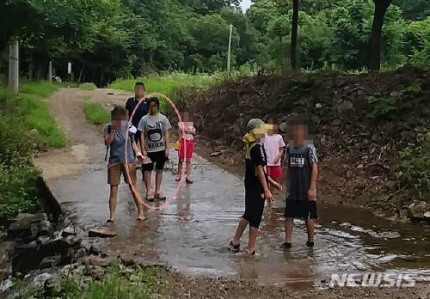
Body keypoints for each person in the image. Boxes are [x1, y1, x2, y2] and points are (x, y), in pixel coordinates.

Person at [228, 119, 282, 255]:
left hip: (251, 184)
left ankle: (235, 242)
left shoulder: (252, 145)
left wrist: (273, 183)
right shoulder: (257, 148)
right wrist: (266, 190)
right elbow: (259, 170)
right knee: (255, 217)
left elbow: (261, 171)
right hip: (256, 186)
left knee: (248, 214)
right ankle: (250, 249)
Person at [281, 117, 319, 249]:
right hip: (293, 187)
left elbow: (314, 167)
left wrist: (312, 187)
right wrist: (286, 183)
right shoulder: (289, 147)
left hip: (306, 186)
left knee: (308, 215)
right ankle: (287, 242)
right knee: (289, 214)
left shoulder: (309, 147)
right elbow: (286, 166)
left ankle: (310, 241)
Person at [103, 106, 145, 222]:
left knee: (133, 187)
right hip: (114, 161)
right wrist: (112, 132)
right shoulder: (107, 127)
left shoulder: (128, 126)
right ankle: (112, 216)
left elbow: (133, 142)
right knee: (113, 189)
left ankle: (141, 212)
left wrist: (138, 153)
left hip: (129, 160)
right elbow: (107, 143)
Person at [138, 97, 172, 201]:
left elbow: (166, 133)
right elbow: (142, 134)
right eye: (150, 106)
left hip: (160, 148)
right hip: (149, 150)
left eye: (154, 106)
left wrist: (167, 147)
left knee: (159, 169)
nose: (152, 108)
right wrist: (143, 149)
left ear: (157, 106)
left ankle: (157, 190)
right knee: (148, 170)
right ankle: (149, 191)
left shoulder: (163, 118)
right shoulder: (144, 119)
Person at [125, 82, 148, 158]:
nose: (139, 90)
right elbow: (126, 115)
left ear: (144, 90)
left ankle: (144, 162)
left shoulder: (147, 101)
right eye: (137, 88)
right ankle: (133, 162)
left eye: (141, 89)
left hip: (144, 128)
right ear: (134, 90)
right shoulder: (130, 101)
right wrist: (127, 126)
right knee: (132, 146)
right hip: (132, 127)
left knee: (144, 146)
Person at [263, 122, 286, 195]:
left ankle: (271, 197)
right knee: (267, 179)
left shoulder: (279, 137)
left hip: (276, 162)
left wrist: (279, 156)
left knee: (274, 179)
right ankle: (267, 194)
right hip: (266, 162)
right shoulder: (263, 136)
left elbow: (282, 149)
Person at [176, 112, 196, 183]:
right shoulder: (180, 124)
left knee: (189, 160)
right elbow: (180, 132)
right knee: (181, 159)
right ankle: (179, 174)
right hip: (183, 141)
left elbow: (194, 133)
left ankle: (188, 175)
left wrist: (189, 131)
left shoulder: (192, 124)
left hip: (190, 142)